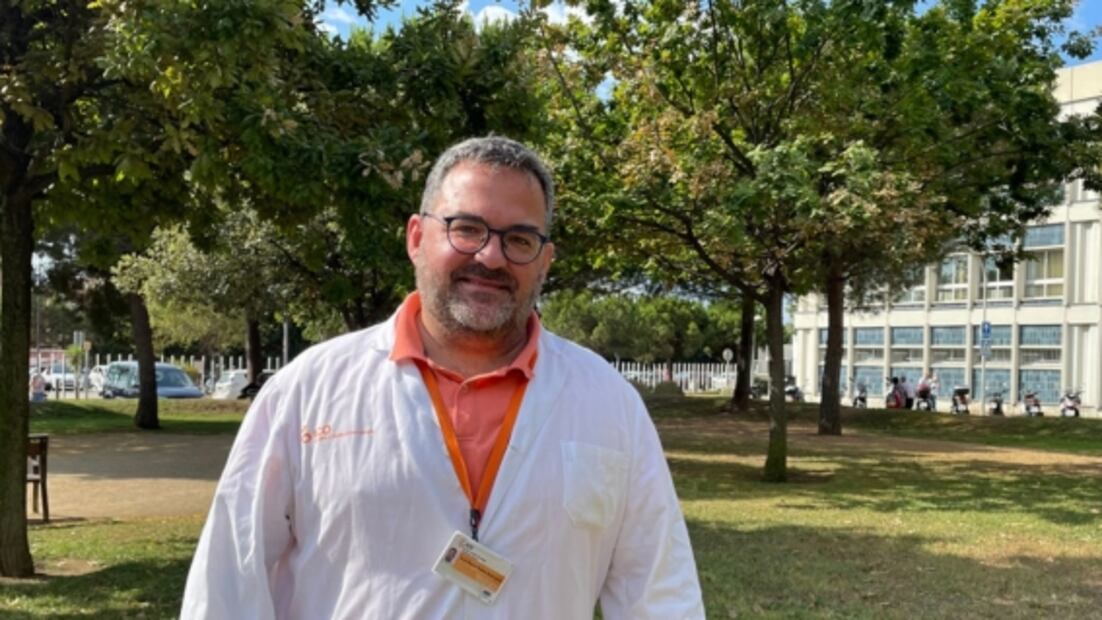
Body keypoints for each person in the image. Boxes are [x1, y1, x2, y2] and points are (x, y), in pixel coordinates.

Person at [181, 137, 704, 619]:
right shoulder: (308, 389)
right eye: (466, 228)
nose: (490, 256)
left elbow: (660, 595)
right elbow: (229, 580)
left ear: (544, 260)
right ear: (416, 237)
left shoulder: (608, 403)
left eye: (519, 239)